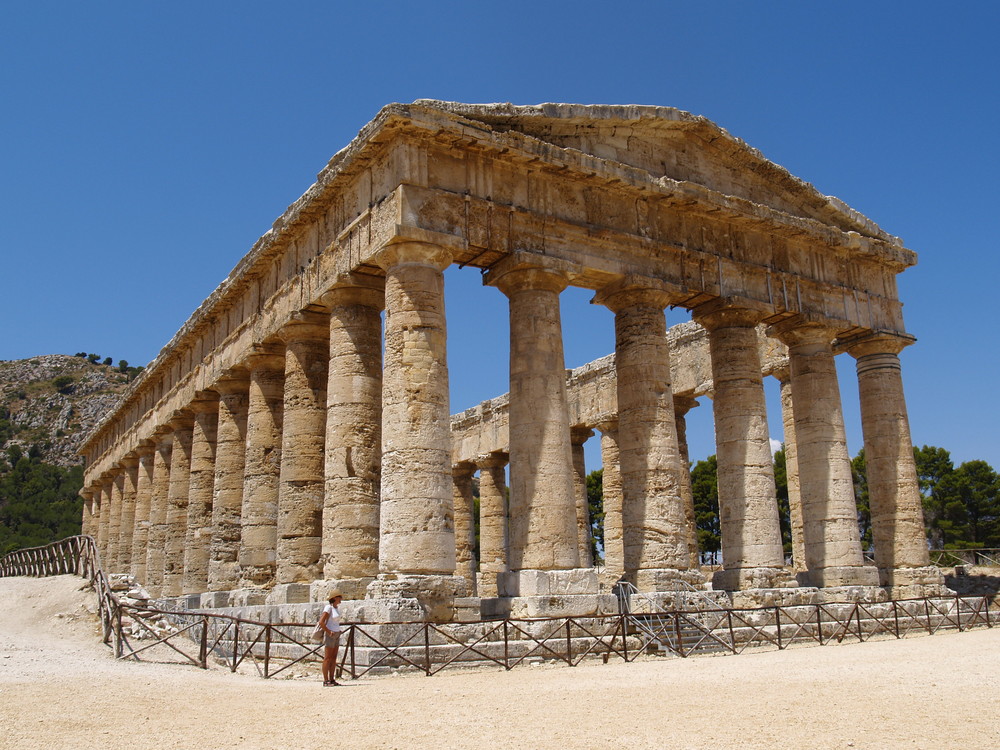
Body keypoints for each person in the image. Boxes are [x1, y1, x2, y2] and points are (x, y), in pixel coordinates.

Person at [318, 592, 343, 686]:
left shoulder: (336, 608)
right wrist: (329, 631)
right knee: (327, 658)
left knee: (334, 657)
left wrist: (338, 631)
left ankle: (332, 679)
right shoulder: (328, 608)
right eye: (340, 597)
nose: (341, 599)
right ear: (335, 598)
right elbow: (321, 622)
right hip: (330, 634)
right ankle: (326, 680)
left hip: (336, 633)